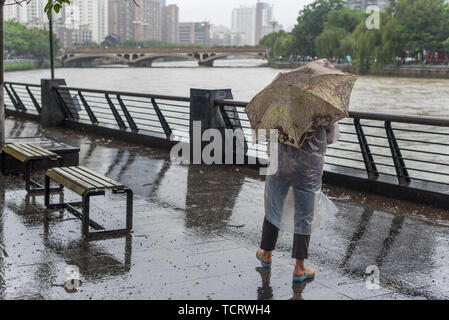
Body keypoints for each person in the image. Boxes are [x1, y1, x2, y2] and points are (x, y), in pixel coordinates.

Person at [256, 123, 340, 282]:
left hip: (280, 166)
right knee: (304, 216)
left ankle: (266, 255)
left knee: (274, 208)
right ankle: (299, 268)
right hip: (308, 169)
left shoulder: (278, 107)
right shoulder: (320, 108)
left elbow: (268, 135)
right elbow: (331, 137)